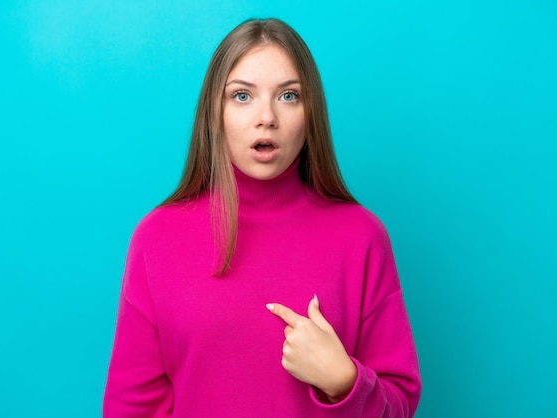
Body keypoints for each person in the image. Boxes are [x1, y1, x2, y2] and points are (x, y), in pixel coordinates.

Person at [103, 18, 421, 417]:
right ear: (213, 112)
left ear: (312, 113)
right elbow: (132, 407)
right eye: (241, 96)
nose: (266, 116)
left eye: (289, 96)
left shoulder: (362, 237)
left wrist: (344, 382)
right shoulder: (156, 238)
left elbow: (400, 406)